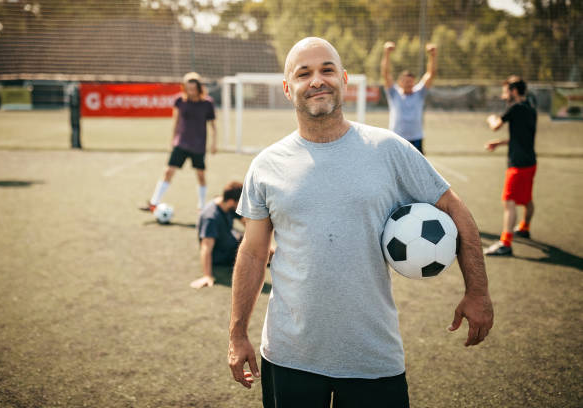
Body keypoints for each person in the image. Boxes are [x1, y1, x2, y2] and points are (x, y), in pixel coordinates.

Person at [227, 37, 493, 407]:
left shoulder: (389, 149)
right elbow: (254, 253)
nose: (317, 80)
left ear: (345, 79)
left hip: (372, 356)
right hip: (290, 356)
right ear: (289, 89)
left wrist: (477, 291)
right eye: (304, 74)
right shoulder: (267, 165)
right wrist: (237, 333)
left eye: (327, 70)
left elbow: (455, 209)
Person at [140, 72, 217, 213]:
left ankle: (201, 207)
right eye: (188, 88)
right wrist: (173, 140)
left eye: (193, 88)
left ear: (199, 88)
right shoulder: (179, 101)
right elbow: (176, 121)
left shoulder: (207, 103)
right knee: (168, 171)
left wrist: (214, 143)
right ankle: (154, 203)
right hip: (181, 143)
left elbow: (213, 125)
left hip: (198, 145)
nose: (191, 91)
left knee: (200, 175)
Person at [484, 76, 537, 256]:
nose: (503, 95)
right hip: (530, 163)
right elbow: (521, 138)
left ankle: (505, 244)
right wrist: (499, 143)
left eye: (506, 91)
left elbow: (495, 125)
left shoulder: (514, 108)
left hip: (517, 165)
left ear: (514, 91)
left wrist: (491, 118)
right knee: (527, 199)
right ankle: (524, 227)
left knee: (509, 202)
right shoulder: (531, 108)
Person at [381, 41, 437, 154]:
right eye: (406, 81)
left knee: (417, 169)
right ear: (400, 82)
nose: (408, 84)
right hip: (397, 137)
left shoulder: (419, 93)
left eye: (411, 82)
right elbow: (386, 73)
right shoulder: (394, 93)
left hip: (416, 138)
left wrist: (433, 55)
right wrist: (386, 53)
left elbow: (431, 74)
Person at [190, 181, 244, 289]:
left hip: (230, 240)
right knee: (255, 251)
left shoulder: (228, 204)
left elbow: (247, 223)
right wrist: (207, 276)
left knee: (256, 243)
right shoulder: (211, 217)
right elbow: (206, 248)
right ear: (231, 202)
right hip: (221, 255)